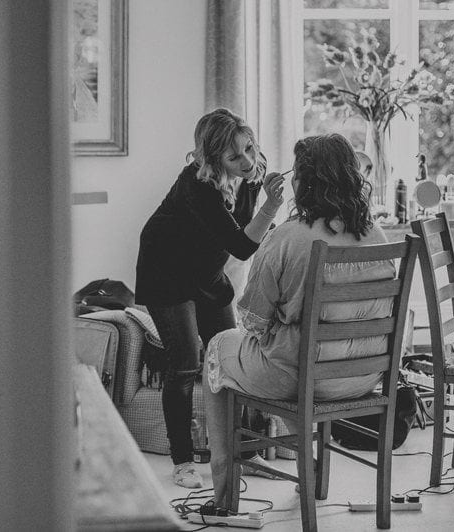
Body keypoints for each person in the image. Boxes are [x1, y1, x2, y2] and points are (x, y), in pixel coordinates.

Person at [203, 133, 396, 507]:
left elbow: (252, 319)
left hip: (302, 376)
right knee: (295, 355)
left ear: (303, 181)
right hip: (362, 377)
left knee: (218, 347)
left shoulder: (287, 237)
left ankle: (223, 498)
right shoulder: (377, 233)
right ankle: (309, 466)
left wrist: (275, 322)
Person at [135, 108, 286, 488]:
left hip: (206, 272)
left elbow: (251, 229)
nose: (249, 161)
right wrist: (271, 207)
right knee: (185, 362)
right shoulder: (197, 183)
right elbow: (241, 244)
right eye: (235, 157)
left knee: (232, 356)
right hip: (165, 273)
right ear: (212, 158)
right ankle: (183, 460)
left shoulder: (252, 174)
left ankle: (244, 452)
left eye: (250, 148)